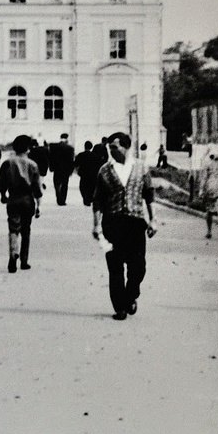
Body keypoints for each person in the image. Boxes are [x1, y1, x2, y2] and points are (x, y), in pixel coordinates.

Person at [92, 132, 156, 320]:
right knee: (115, 266)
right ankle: (120, 307)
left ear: (126, 147)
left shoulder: (141, 167)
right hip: (112, 223)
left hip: (135, 223)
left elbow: (149, 194)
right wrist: (96, 225)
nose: (111, 150)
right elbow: (97, 201)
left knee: (138, 266)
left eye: (115, 146)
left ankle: (131, 294)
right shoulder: (104, 170)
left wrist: (153, 220)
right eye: (109, 147)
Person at [0, 135, 43, 273]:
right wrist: (39, 206)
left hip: (13, 198)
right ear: (28, 149)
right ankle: (24, 260)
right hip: (27, 199)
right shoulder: (33, 165)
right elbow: (37, 188)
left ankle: (13, 253)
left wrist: (3, 195)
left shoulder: (7, 163)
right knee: (26, 230)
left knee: (13, 228)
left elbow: (1, 183)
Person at [198, 152, 218, 242]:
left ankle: (209, 232)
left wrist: (201, 190)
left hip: (210, 187)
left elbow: (203, 178)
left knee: (209, 211)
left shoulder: (207, 164)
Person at [48, 133, 76, 206]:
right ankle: (62, 200)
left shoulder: (54, 147)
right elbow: (71, 161)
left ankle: (58, 197)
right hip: (65, 170)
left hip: (57, 169)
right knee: (64, 185)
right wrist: (71, 171)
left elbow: (51, 158)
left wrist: (51, 168)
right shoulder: (70, 148)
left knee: (56, 184)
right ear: (67, 138)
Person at [75, 141, 102, 207]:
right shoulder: (95, 156)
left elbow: (76, 164)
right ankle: (90, 198)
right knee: (91, 187)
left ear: (84, 146)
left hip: (83, 174)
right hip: (92, 175)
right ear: (91, 147)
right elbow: (98, 165)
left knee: (83, 187)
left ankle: (85, 199)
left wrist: (78, 171)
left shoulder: (81, 155)